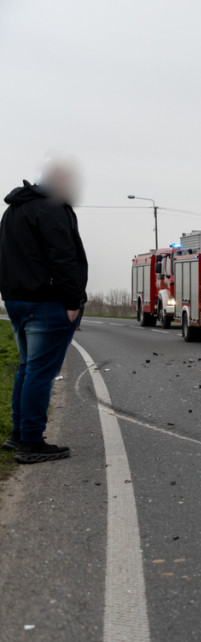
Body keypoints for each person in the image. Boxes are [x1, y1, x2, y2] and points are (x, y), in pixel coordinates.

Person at [0, 159, 88, 463]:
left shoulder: (14, 209)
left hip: (16, 299)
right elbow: (64, 258)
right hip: (47, 302)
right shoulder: (51, 209)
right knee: (40, 372)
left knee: (28, 368)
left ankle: (19, 435)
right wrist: (73, 302)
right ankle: (31, 443)